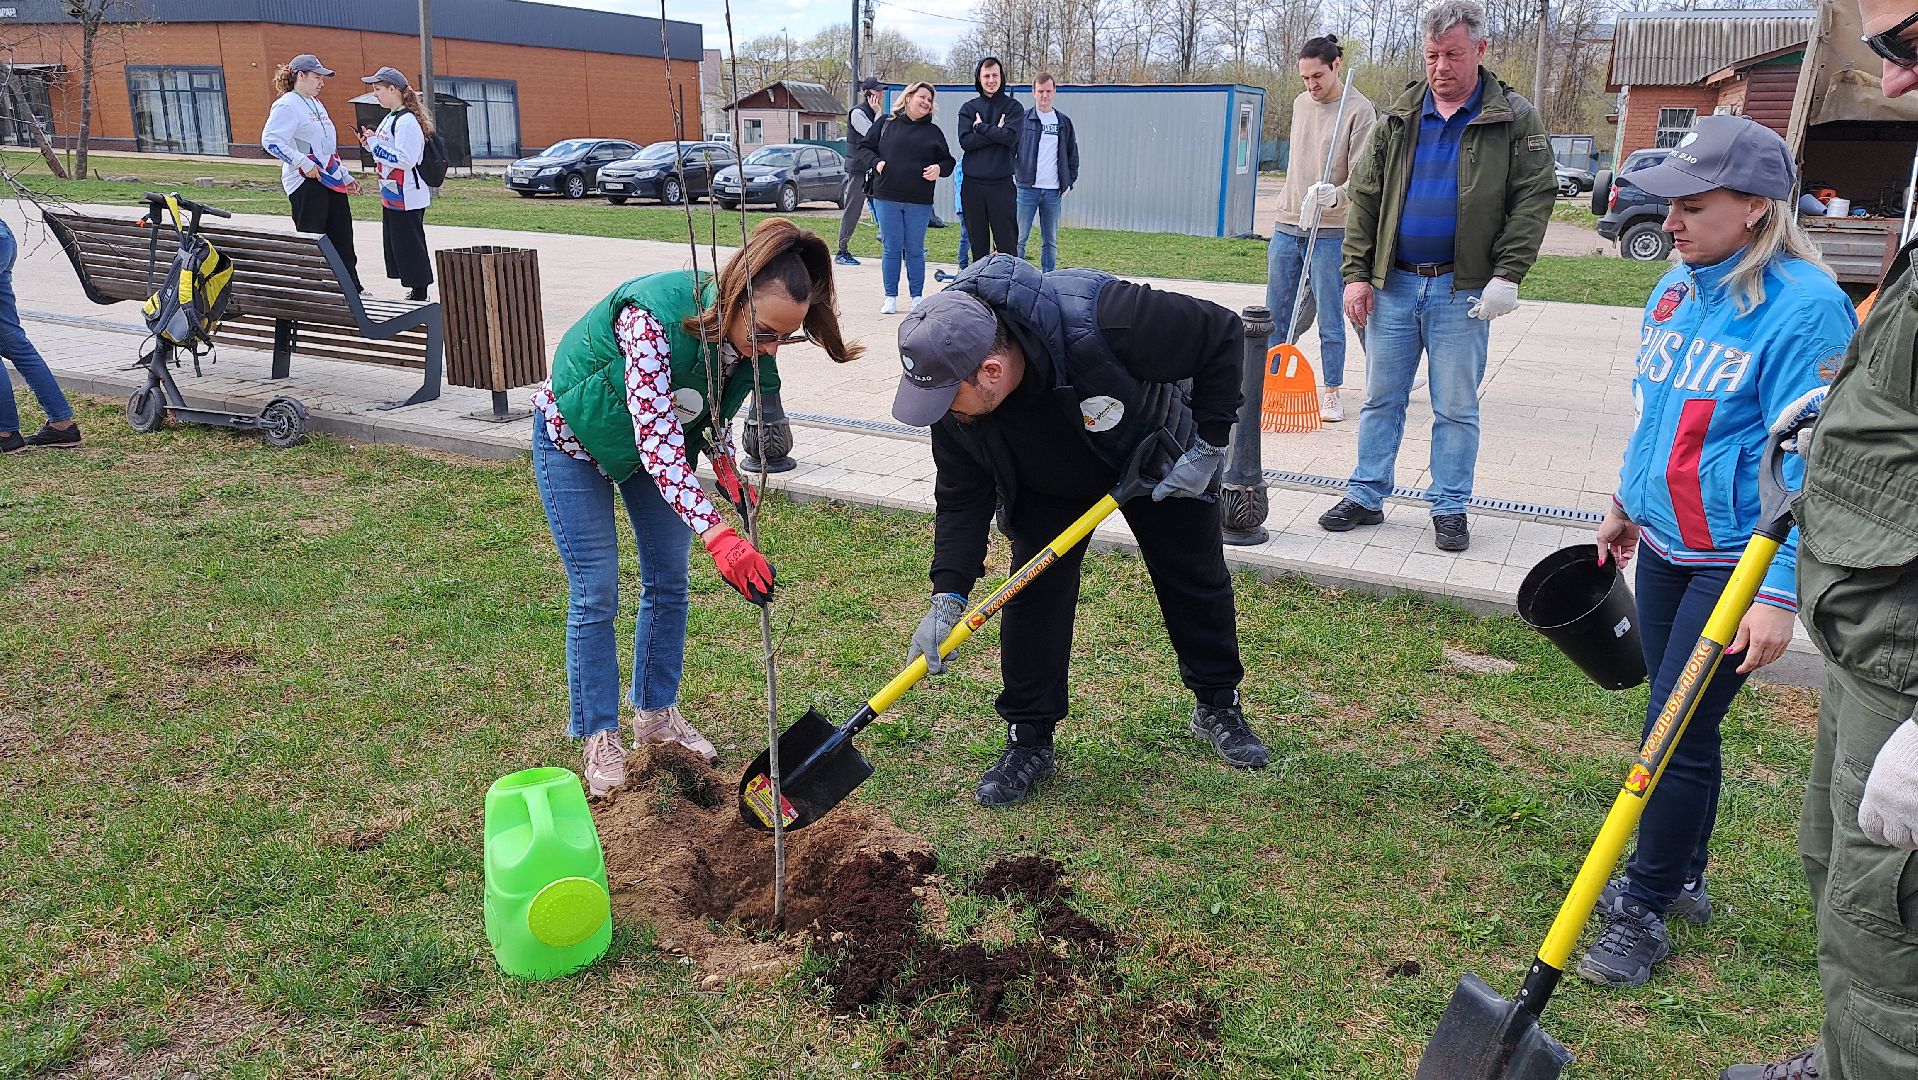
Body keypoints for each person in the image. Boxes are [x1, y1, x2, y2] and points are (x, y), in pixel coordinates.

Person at [1576, 115, 1855, 993]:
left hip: (1736, 560)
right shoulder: (1676, 286)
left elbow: (1813, 462)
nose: (1673, 223)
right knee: (1680, 720)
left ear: (1757, 208)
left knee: (1673, 729)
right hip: (1665, 543)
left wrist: (1777, 590)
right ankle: (1683, 876)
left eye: (1694, 208)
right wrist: (1627, 502)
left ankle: (1644, 904)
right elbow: (1654, 406)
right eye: (1671, 205)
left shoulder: (1807, 309)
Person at [1719, 1, 1918, 1075]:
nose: (1889, 82)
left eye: (1908, 42)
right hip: (1871, 629)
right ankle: (1846, 1054)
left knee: (1894, 940)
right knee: (1840, 880)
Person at [890, 255, 1270, 808]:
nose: (942, 411)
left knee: (1193, 576)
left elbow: (1221, 332)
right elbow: (960, 497)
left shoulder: (1105, 317)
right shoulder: (954, 402)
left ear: (990, 371)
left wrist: (1209, 445)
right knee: (1033, 594)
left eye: (948, 398)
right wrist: (948, 594)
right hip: (1048, 481)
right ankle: (1029, 736)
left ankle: (1218, 704)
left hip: (1155, 454)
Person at [531, 219, 862, 798]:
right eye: (764, 333)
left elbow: (702, 409)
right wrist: (719, 534)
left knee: (669, 579)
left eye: (784, 339)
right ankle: (600, 733)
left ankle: (656, 715)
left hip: (655, 449)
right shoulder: (650, 320)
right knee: (596, 590)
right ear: (733, 298)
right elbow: (658, 443)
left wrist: (723, 461)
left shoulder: (749, 344)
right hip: (575, 439)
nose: (770, 348)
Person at [1320, 0, 1554, 553]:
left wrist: (1508, 274)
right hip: (1395, 285)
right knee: (1381, 399)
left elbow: (1533, 198)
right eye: (1431, 56)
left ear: (1480, 50)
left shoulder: (1512, 117)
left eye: (1453, 54)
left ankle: (1449, 506)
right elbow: (1366, 199)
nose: (1441, 67)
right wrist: (1356, 275)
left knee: (1455, 407)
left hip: (1462, 290)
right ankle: (1366, 493)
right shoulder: (1399, 118)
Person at [1266, 36, 1376, 423]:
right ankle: (1269, 382)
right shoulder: (1300, 104)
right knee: (1275, 315)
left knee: (1331, 316)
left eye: (1317, 76)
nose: (1311, 85)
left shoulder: (1359, 110)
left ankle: (1332, 391)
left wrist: (1336, 195)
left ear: (1336, 65)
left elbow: (1363, 177)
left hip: (1331, 230)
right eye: (1305, 78)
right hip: (1288, 223)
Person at [260, 53, 361, 290]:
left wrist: (344, 175)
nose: (322, 83)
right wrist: (303, 163)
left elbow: (326, 147)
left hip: (330, 180)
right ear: (300, 76)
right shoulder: (287, 104)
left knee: (343, 237)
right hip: (306, 183)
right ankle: (313, 291)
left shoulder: (316, 103)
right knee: (313, 240)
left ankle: (352, 289)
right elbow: (270, 140)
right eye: (317, 77)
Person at [860, 81, 954, 315]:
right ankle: (890, 297)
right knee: (891, 249)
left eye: (930, 100)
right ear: (909, 97)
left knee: (914, 250)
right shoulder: (885, 123)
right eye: (922, 97)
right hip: (887, 197)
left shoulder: (933, 132)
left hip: (919, 201)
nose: (926, 102)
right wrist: (876, 162)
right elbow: (864, 148)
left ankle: (917, 297)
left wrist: (939, 169)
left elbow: (948, 162)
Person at [0, 218, 80, 454]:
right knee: (14, 342)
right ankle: (62, 425)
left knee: (14, 342)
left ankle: (5, 433)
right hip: (4, 235)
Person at [356, 66, 433, 301]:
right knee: (398, 245)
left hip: (407, 194)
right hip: (392, 193)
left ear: (393, 89)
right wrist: (370, 144)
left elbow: (406, 159)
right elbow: (385, 150)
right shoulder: (391, 117)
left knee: (410, 245)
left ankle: (420, 293)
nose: (375, 94)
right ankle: (414, 289)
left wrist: (375, 146)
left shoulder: (406, 121)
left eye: (378, 89)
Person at [957, 57, 1023, 264]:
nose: (991, 80)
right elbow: (966, 142)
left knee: (1007, 245)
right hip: (973, 186)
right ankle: (980, 282)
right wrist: (996, 132)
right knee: (978, 245)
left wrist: (980, 127)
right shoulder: (968, 108)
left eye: (995, 75)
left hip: (1001, 185)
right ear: (979, 78)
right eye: (986, 76)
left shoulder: (1013, 107)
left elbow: (1010, 137)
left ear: (1001, 77)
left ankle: (1008, 283)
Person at [1013, 73, 1079, 274]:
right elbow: (1010, 151)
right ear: (1033, 92)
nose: (1044, 95)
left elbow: (1072, 155)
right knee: (1019, 239)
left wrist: (1068, 182)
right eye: (1040, 91)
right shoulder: (1023, 119)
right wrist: (1017, 175)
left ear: (1054, 92)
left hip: (1053, 192)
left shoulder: (1063, 122)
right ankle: (1017, 278)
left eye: (1048, 91)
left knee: (1050, 241)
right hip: (1026, 189)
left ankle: (1048, 278)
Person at [836, 77, 885, 267]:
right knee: (853, 209)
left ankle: (896, 246)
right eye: (877, 90)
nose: (880, 93)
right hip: (859, 169)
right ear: (868, 93)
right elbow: (874, 135)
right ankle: (842, 250)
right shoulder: (858, 113)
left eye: (881, 90)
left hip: (872, 168)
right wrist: (878, 113)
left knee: (885, 207)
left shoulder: (874, 113)